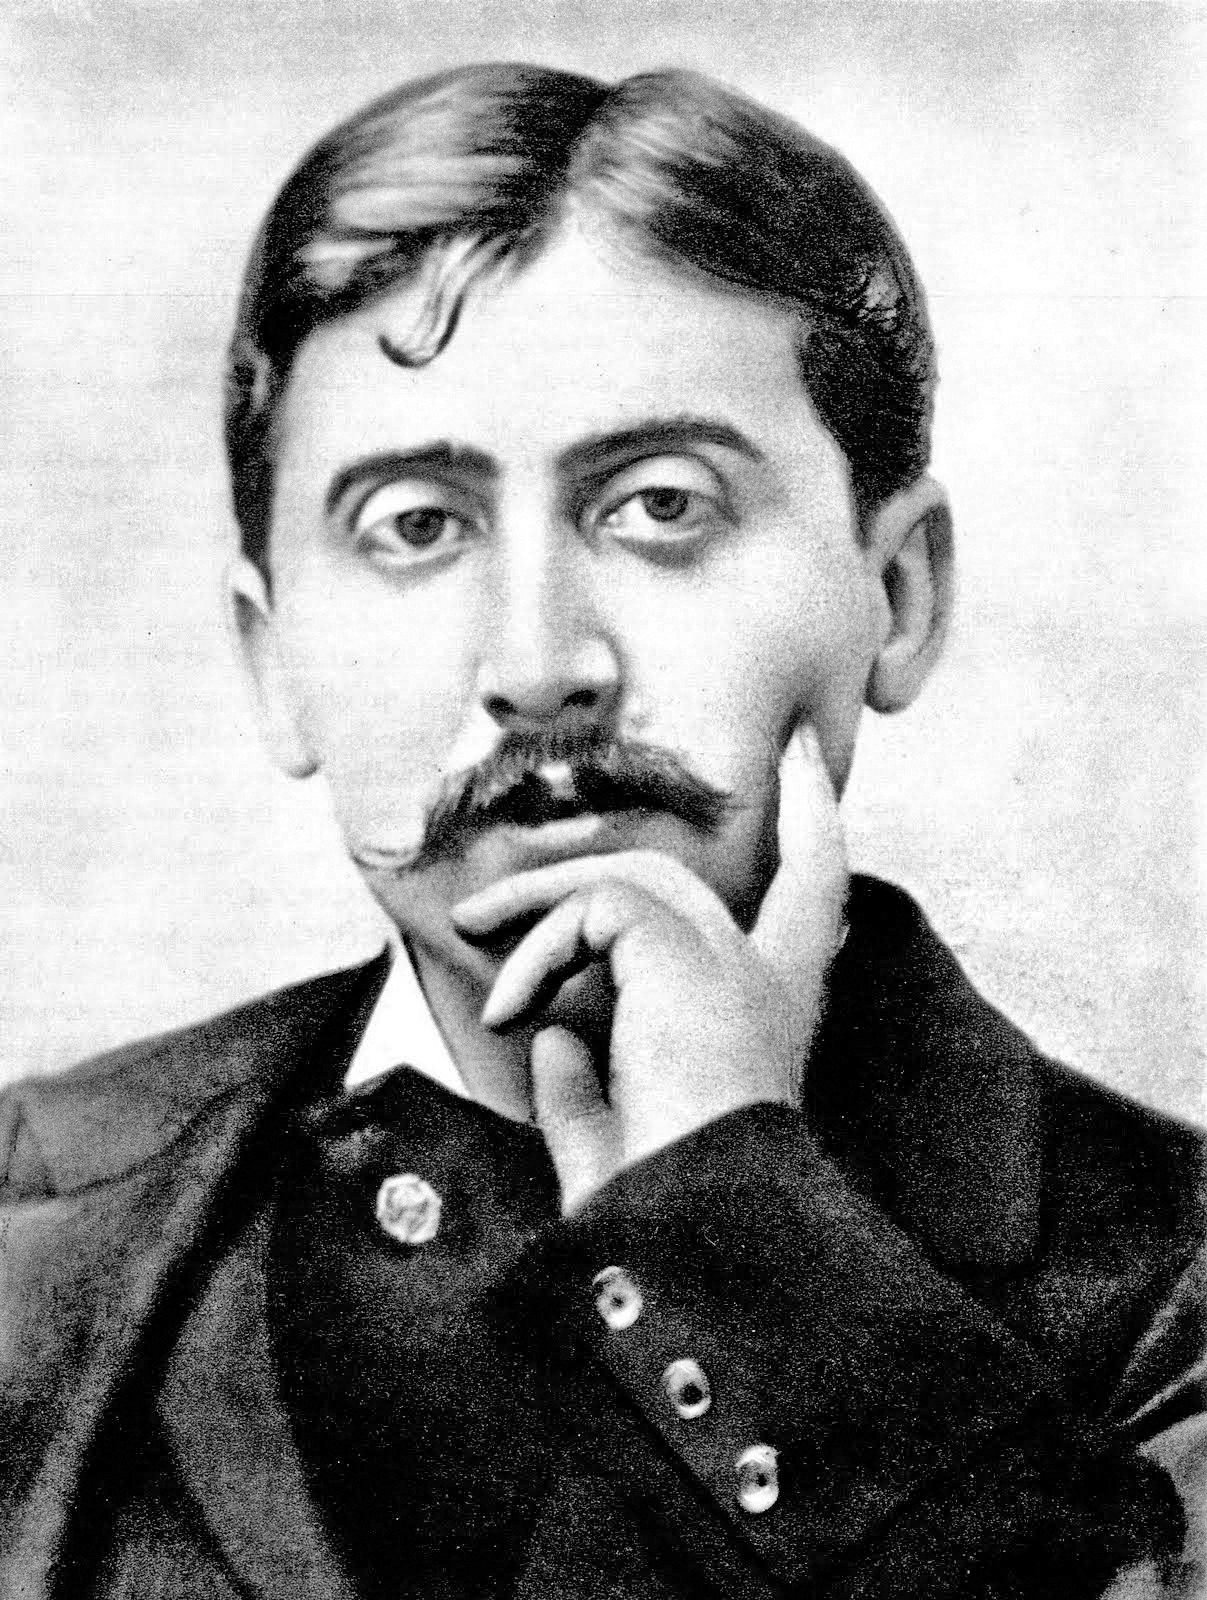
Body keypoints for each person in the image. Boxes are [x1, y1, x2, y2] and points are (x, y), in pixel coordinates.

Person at [1, 61, 1202, 1600]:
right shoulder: (43, 1199)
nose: (538, 665)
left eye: (661, 507)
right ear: (272, 660)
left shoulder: (1173, 1278)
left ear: (897, 596)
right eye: (415, 527)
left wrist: (738, 1231)